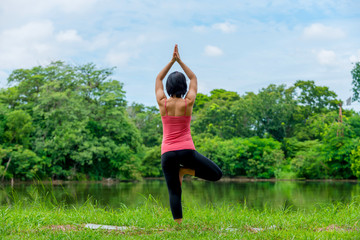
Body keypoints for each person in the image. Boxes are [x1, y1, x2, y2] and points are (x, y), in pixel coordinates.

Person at [155, 44, 223, 224]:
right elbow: (193, 77)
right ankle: (185, 170)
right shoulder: (188, 103)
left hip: (168, 153)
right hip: (186, 150)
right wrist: (180, 61)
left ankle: (178, 226)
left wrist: (171, 62)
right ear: (184, 86)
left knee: (174, 191)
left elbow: (158, 78)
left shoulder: (163, 103)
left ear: (168, 87)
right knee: (216, 174)